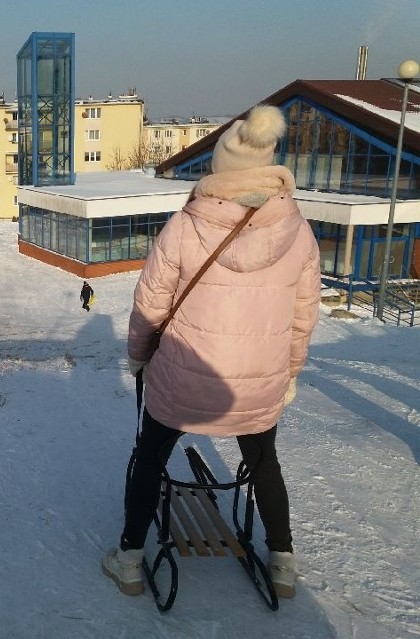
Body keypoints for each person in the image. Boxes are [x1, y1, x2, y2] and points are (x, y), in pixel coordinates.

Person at [102, 105, 320, 600]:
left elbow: (150, 304)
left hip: (184, 378)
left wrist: (138, 356)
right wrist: (289, 373)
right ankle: (283, 561)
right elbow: (304, 314)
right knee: (264, 461)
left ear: (221, 167)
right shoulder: (298, 230)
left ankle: (130, 559)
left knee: (150, 456)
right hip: (259, 381)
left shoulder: (185, 225)